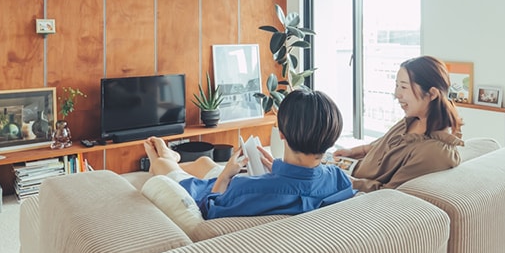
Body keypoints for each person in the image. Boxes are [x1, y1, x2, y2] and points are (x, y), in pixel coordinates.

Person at [141, 88, 356, 219]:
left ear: (281, 133)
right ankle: (176, 159)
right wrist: (279, 169)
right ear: (331, 137)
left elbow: (208, 209)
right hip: (277, 179)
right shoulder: (339, 179)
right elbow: (303, 188)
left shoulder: (246, 188)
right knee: (205, 161)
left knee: (163, 168)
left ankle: (164, 158)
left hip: (204, 192)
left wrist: (226, 174)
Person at [333, 55, 464, 192]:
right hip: (351, 172)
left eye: (404, 87)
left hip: (354, 189)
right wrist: (352, 152)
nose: (397, 94)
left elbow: (390, 193)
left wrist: (345, 182)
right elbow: (380, 146)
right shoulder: (413, 119)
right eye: (397, 85)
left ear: (432, 94)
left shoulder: (434, 151)